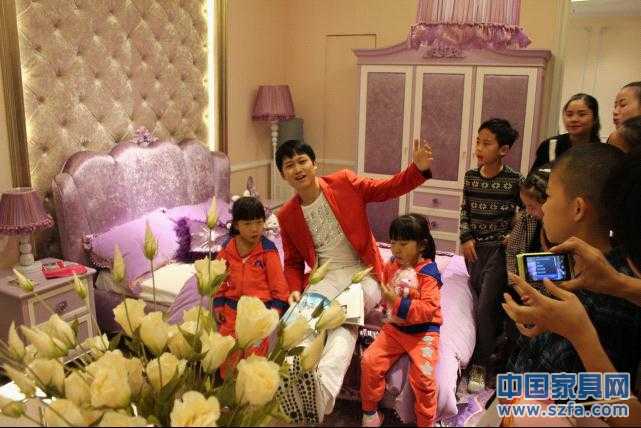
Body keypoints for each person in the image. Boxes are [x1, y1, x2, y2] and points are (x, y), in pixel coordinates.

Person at [274, 138, 434, 423]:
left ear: (314, 164)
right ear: (282, 174)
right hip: (324, 277)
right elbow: (294, 262)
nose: (297, 169)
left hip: (364, 274)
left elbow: (386, 189)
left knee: (341, 319)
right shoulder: (286, 215)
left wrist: (416, 169)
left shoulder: (343, 182)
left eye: (302, 161)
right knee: (297, 325)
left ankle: (322, 391)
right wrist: (295, 290)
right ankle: (293, 389)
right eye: (289, 165)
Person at [507, 144, 641, 388]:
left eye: (548, 196)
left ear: (578, 208)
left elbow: (588, 399)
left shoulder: (605, 307)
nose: (543, 207)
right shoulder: (591, 271)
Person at [459, 118, 523, 392]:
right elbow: (465, 210)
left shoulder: (514, 180)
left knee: (486, 306)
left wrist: (514, 233)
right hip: (475, 251)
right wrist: (465, 237)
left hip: (499, 251)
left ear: (503, 150)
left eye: (486, 143)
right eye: (478, 142)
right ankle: (490, 349)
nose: (478, 148)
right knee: (479, 302)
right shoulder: (471, 177)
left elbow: (529, 211)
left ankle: (481, 365)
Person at [360, 214, 441, 427]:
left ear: (421, 246)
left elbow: (428, 310)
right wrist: (384, 304)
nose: (396, 249)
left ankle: (426, 423)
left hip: (424, 333)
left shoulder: (429, 274)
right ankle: (370, 413)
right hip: (395, 329)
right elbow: (386, 288)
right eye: (393, 242)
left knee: (424, 379)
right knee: (369, 361)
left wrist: (395, 302)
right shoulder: (392, 265)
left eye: (403, 244)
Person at [213, 197, 289, 357]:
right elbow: (218, 278)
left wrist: (274, 312)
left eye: (259, 222)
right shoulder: (227, 248)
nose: (255, 229)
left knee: (254, 358)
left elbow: (279, 285)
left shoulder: (268, 250)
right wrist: (218, 303)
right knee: (227, 353)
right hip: (231, 311)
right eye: (247, 224)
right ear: (236, 225)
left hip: (258, 314)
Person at [530, 93, 601, 170]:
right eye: (569, 115)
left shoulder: (601, 152)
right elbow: (534, 177)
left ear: (595, 119)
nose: (574, 119)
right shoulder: (550, 145)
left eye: (582, 114)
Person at [505, 164, 552, 276]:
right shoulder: (526, 218)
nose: (528, 211)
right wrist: (515, 280)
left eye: (532, 207)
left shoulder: (560, 227)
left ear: (548, 202)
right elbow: (511, 251)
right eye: (525, 206)